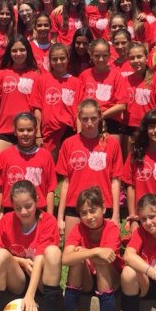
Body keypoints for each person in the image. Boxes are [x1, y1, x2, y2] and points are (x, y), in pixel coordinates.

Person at [0, 180, 63, 311]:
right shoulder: (6, 221)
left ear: (37, 201)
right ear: (12, 206)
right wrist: (21, 261)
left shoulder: (47, 221)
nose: (23, 212)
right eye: (18, 208)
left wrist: (30, 296)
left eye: (28, 206)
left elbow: (40, 257)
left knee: (53, 252)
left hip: (40, 280)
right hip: (17, 279)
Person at [61, 188, 122, 311]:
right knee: (76, 262)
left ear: (103, 209)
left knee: (100, 263)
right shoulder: (78, 228)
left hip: (110, 279)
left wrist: (82, 252)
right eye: (84, 213)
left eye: (93, 211)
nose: (89, 217)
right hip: (87, 280)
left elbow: (107, 257)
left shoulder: (112, 228)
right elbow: (65, 258)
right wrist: (95, 251)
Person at [56, 99, 123, 236]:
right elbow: (66, 182)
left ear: (100, 117)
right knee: (72, 253)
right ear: (79, 118)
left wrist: (116, 214)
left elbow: (115, 181)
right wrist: (60, 216)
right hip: (74, 205)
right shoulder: (69, 144)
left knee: (103, 254)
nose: (90, 123)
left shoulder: (112, 144)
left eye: (93, 118)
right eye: (85, 119)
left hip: (103, 206)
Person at [0, 35, 41, 153]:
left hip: (27, 131)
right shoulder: (1, 74)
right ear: (9, 53)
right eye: (14, 50)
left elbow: (38, 108)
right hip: (3, 130)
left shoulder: (36, 76)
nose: (18, 53)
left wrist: (38, 133)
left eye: (22, 50)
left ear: (28, 52)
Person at [0, 113, 56, 218]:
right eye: (21, 130)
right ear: (15, 131)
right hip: (12, 212)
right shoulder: (5, 156)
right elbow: (0, 190)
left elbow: (50, 190)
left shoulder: (45, 156)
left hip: (38, 212)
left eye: (29, 130)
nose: (25, 133)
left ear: (36, 131)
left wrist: (49, 217)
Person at [30, 43, 79, 158]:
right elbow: (37, 109)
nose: (58, 62)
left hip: (69, 130)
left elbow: (79, 112)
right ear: (50, 61)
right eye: (55, 59)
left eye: (62, 58)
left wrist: (79, 135)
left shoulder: (76, 82)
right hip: (48, 133)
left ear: (68, 59)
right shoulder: (42, 80)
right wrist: (37, 135)